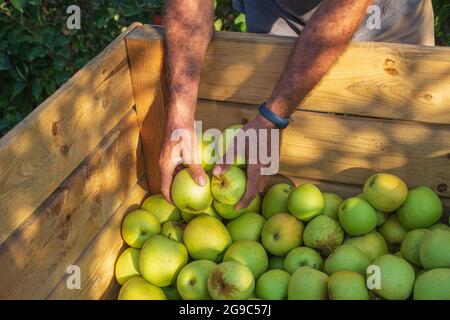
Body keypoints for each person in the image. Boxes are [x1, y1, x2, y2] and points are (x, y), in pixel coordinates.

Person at [159, 0, 435, 209]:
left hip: (382, 20)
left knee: (390, 151)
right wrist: (181, 111)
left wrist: (272, 116)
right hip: (278, 11)